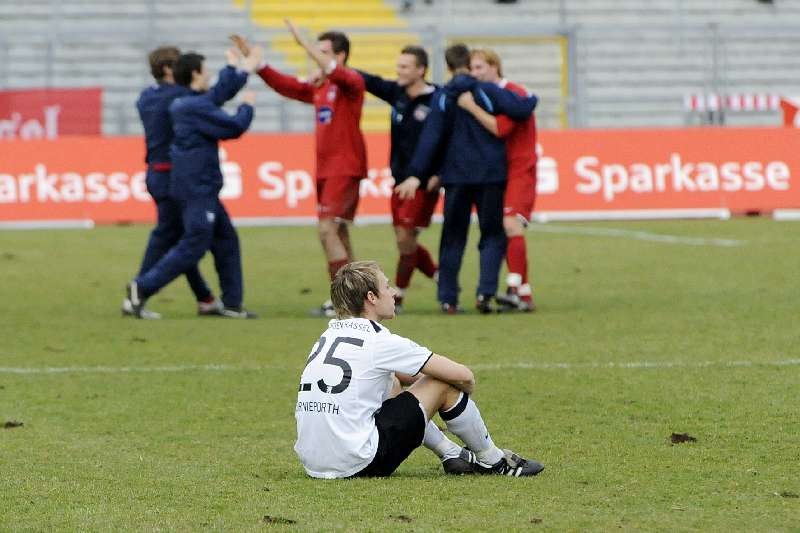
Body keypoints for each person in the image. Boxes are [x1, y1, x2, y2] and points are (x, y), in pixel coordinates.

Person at [294, 260, 544, 478]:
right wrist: (458, 390)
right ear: (371, 297)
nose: (393, 293)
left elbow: (393, 375)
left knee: (391, 379)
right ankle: (494, 461)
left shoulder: (327, 335)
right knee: (442, 383)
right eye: (387, 286)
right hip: (358, 463)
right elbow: (463, 375)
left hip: (314, 462)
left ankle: (450, 453)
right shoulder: (379, 340)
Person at [232, 21, 367, 318]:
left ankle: (343, 301)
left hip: (344, 167)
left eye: (323, 51)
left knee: (326, 230)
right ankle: (360, 298)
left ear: (341, 56)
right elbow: (288, 86)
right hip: (325, 169)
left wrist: (304, 43)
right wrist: (260, 64)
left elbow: (333, 72)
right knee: (339, 233)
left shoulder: (351, 82)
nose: (314, 56)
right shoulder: (321, 87)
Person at [127, 49, 261, 319]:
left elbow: (213, 96)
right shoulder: (182, 101)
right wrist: (243, 79)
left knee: (213, 238)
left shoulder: (151, 97)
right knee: (187, 241)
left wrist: (235, 68)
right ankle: (141, 288)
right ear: (169, 70)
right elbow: (221, 107)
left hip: (175, 177)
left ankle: (223, 302)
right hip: (186, 181)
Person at [405, 44, 538, 314]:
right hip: (491, 175)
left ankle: (448, 299)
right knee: (491, 235)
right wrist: (532, 98)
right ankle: (485, 294)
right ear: (468, 63)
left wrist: (417, 174)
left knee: (453, 237)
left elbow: (431, 138)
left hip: (456, 178)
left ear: (448, 66)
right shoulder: (486, 91)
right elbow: (521, 107)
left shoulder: (443, 96)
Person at [357, 45, 440, 312]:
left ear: (420, 70)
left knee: (405, 238)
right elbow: (369, 82)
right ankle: (440, 277)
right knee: (405, 240)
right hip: (399, 180)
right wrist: (334, 66)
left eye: (405, 66)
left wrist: (436, 174)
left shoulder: (437, 99)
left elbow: (444, 141)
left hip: (423, 182)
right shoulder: (398, 94)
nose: (399, 70)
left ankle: (399, 294)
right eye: (399, 65)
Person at [457, 48, 537, 312]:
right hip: (499, 171)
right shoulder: (489, 94)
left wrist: (469, 107)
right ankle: (524, 294)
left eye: (480, 68)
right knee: (507, 229)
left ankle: (514, 288)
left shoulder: (511, 92)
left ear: (494, 66)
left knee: (511, 224)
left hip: (519, 168)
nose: (476, 74)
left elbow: (501, 128)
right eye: (472, 69)